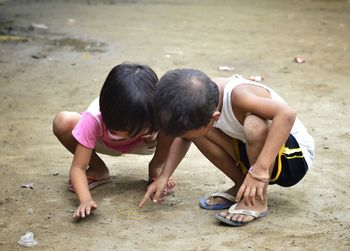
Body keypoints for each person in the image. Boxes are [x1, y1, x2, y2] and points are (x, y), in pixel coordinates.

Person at [139, 69, 315, 227]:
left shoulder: (239, 95)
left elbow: (287, 114)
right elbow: (184, 138)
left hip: (292, 159)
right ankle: (242, 187)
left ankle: (256, 201)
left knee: (255, 125)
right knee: (198, 133)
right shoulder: (203, 98)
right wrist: (164, 176)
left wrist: (259, 172)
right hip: (255, 157)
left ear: (215, 117)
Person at [53, 62, 178, 219]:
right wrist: (85, 200)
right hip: (104, 143)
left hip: (145, 144)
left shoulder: (156, 111)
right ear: (108, 113)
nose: (131, 133)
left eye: (138, 127)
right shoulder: (94, 118)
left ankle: (157, 167)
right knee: (62, 121)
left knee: (174, 119)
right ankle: (98, 169)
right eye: (126, 129)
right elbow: (78, 168)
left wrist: (153, 136)